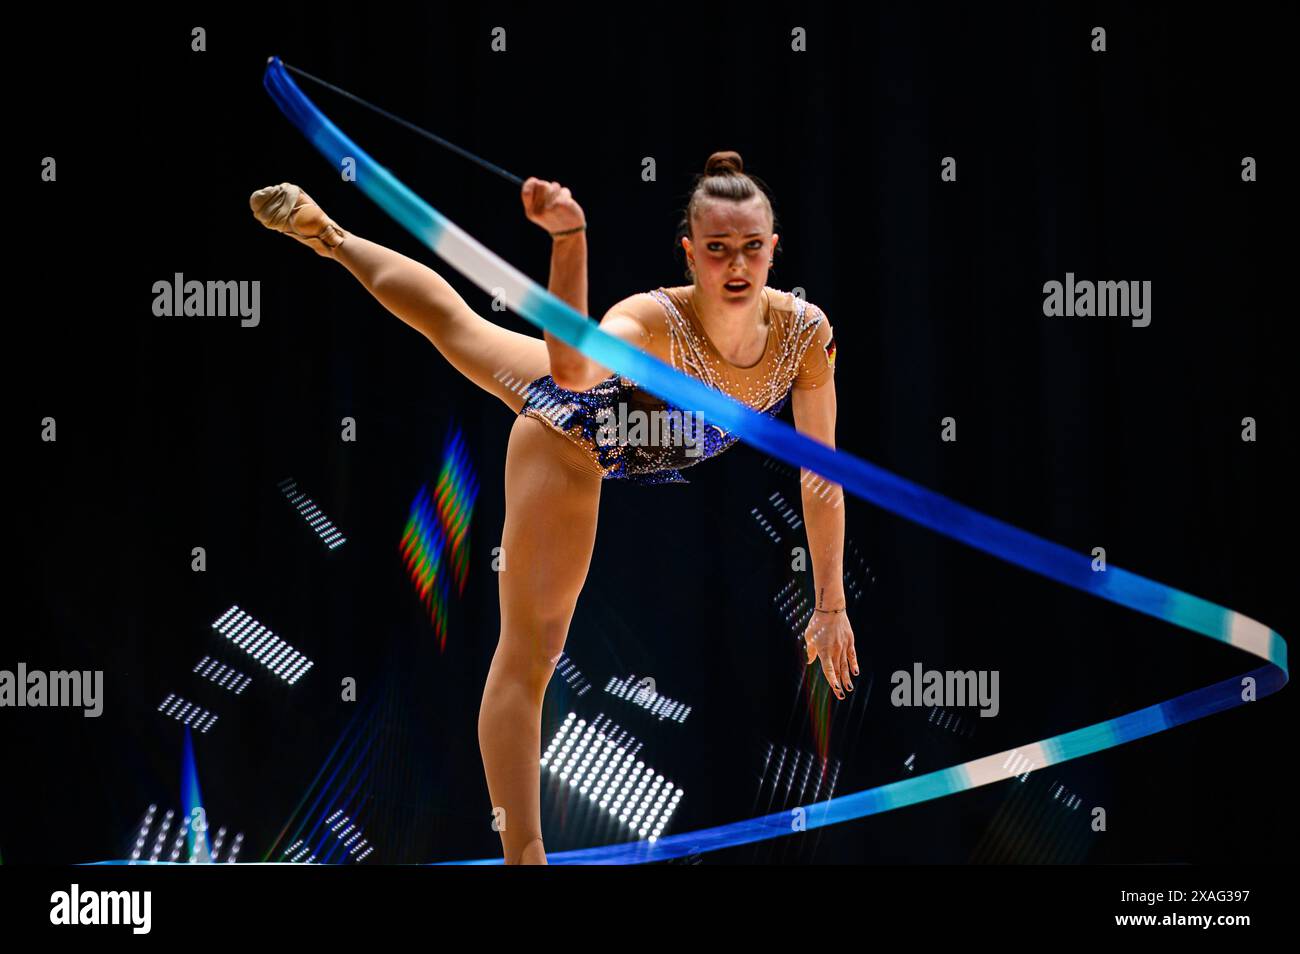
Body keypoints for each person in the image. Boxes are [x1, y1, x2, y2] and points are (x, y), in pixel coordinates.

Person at [249, 150, 858, 864]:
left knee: (458, 326)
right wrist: (569, 242)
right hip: (571, 431)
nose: (735, 267)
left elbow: (822, 477)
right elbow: (570, 372)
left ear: (775, 249)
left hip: (628, 441)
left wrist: (829, 601)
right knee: (531, 646)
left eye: (752, 248)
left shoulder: (805, 336)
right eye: (717, 249)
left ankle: (335, 237)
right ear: (689, 252)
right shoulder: (649, 319)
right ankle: (526, 854)